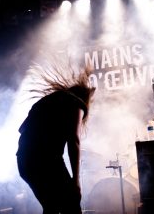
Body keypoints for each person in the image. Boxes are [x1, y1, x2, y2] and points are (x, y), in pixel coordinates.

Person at [16, 62, 96, 214]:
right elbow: (74, 141)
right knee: (71, 205)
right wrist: (76, 181)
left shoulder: (46, 101)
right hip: (47, 162)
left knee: (51, 206)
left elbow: (21, 129)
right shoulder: (76, 103)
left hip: (24, 162)